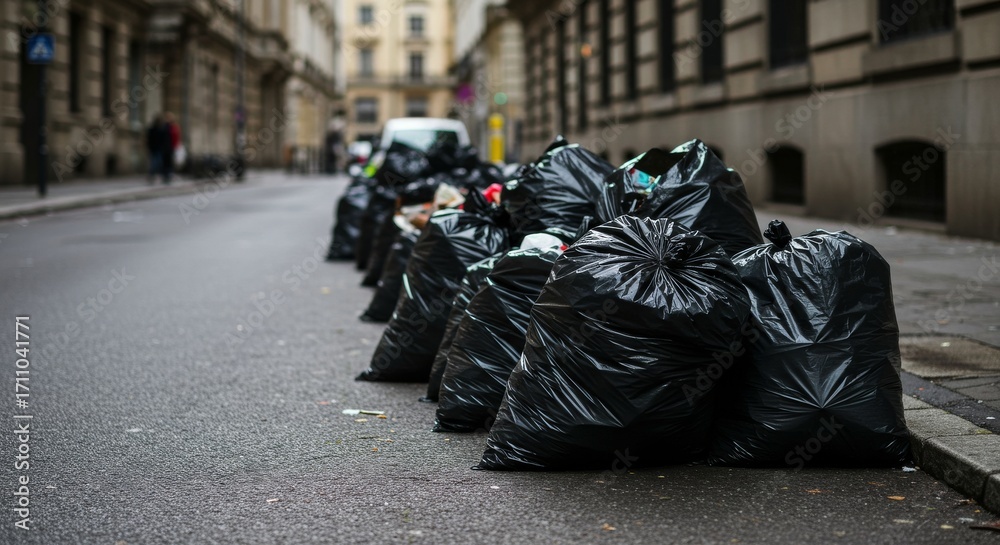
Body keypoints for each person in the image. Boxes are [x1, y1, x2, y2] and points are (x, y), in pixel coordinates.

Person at [161, 112, 181, 184]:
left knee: (169, 162)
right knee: (166, 162)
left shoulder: (172, 127)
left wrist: (175, 146)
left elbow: (176, 137)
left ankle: (168, 175)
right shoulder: (166, 127)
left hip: (170, 147)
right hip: (166, 147)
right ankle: (166, 175)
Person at [145, 115, 166, 184]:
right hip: (155, 148)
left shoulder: (160, 129)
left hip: (158, 148)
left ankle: (153, 175)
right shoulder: (154, 129)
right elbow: (149, 139)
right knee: (155, 162)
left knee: (157, 162)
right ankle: (152, 175)